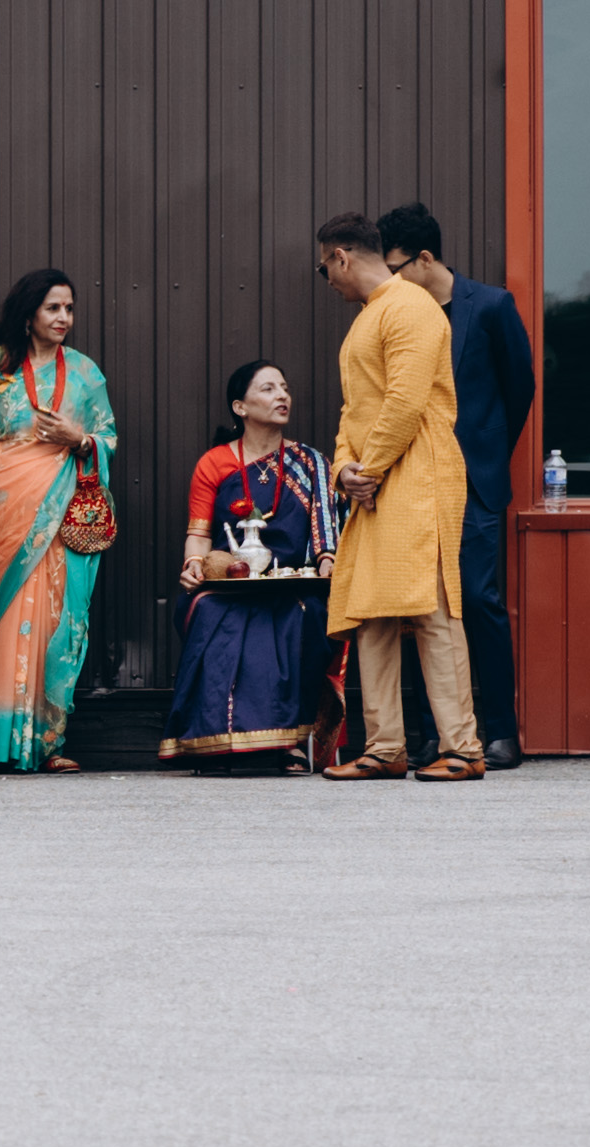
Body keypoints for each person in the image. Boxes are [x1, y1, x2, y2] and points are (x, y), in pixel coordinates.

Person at [314, 213, 482, 781]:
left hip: (418, 475)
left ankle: (463, 747)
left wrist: (369, 469)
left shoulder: (410, 306)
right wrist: (344, 469)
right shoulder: (371, 315)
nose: (327, 280)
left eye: (324, 268)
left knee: (433, 608)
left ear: (341, 256)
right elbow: (354, 410)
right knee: (372, 613)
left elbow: (406, 401)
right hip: (378, 481)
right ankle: (384, 747)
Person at [0, 268, 120, 771]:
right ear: (28, 314)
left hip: (61, 500)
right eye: (53, 308)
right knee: (4, 613)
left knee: (55, 615)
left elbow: (108, 437)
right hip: (4, 499)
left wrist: (78, 439)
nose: (64, 317)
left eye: (69, 308)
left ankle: (45, 743)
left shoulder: (85, 372)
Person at [384, 204, 534, 768]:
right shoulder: (395, 312)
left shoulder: (491, 305)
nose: (389, 279)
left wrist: (487, 452)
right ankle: (432, 735)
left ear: (425, 259)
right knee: (421, 606)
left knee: (477, 599)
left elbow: (519, 388)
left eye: (396, 268)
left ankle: (502, 733)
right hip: (413, 481)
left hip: (474, 479)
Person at [163, 358, 338, 770]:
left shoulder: (310, 462)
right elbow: (199, 533)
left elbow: (325, 532)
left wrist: (327, 562)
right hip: (228, 583)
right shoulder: (214, 463)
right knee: (205, 609)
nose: (282, 396)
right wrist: (193, 564)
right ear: (240, 407)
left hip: (293, 584)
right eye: (268, 389)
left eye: (284, 388)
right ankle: (213, 743)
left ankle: (287, 742)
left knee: (303, 614)